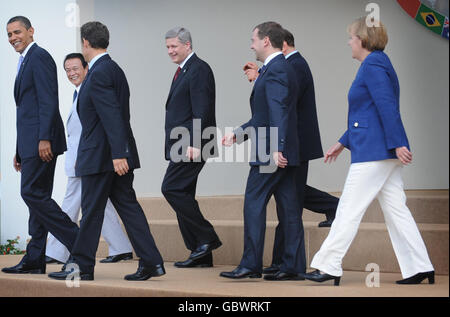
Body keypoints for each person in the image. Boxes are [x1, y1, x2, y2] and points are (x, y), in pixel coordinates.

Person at [303, 17, 434, 286]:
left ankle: (328, 265)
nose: (348, 42)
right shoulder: (376, 64)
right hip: (378, 149)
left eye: (351, 37)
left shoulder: (373, 65)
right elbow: (368, 112)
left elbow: (387, 106)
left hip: (374, 152)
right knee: (397, 210)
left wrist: (399, 143)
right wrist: (343, 141)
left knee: (348, 208)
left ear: (362, 40)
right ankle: (420, 266)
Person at [48, 21, 164, 281]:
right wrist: (120, 152)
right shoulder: (114, 69)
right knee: (129, 209)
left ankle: (81, 267)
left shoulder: (99, 72)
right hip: (112, 156)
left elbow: (112, 116)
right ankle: (152, 262)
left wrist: (118, 154)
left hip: (104, 158)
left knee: (91, 211)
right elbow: (118, 115)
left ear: (86, 43)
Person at [243, 28, 340, 275]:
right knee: (289, 200)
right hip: (288, 143)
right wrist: (261, 76)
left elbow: (281, 106)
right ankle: (286, 263)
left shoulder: (291, 65)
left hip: (289, 144)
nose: (252, 46)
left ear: (281, 44)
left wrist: (278, 146)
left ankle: (283, 262)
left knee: (290, 200)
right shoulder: (287, 66)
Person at [220, 22, 305, 281]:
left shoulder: (277, 70)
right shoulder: (279, 69)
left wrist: (277, 148)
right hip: (283, 151)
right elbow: (265, 115)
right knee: (290, 209)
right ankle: (293, 266)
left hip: (271, 153)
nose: (251, 45)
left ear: (266, 41)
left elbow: (278, 111)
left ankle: (250, 264)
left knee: (253, 205)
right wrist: (238, 134)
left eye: (253, 40)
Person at [2, 16, 79, 275]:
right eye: (9, 34)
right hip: (30, 143)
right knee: (38, 198)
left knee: (31, 194)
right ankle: (35, 258)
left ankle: (78, 243)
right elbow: (26, 110)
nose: (13, 38)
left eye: (17, 32)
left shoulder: (40, 56)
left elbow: (48, 100)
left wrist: (44, 138)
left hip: (41, 142)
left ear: (31, 31)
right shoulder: (24, 61)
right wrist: (19, 150)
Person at [45, 53, 133, 265]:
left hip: (86, 160)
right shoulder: (79, 93)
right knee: (100, 205)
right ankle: (121, 247)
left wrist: (84, 158)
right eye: (67, 70)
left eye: (75, 68)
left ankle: (56, 251)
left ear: (86, 68)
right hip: (84, 159)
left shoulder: (90, 92)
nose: (71, 73)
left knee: (70, 204)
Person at [161, 27, 221, 268]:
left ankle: (207, 238)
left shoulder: (198, 69)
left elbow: (202, 108)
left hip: (192, 144)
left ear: (187, 45)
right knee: (183, 193)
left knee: (171, 188)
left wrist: (196, 142)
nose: (170, 51)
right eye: (167, 47)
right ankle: (201, 252)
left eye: (174, 46)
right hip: (182, 143)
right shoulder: (184, 70)